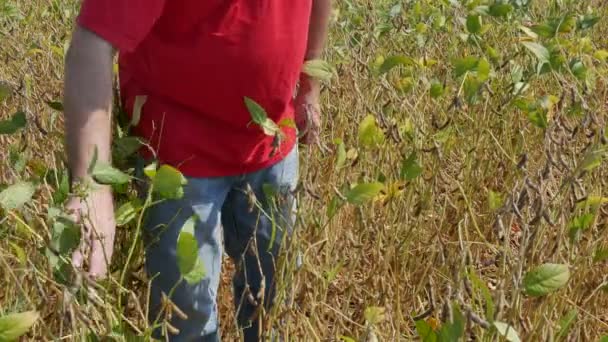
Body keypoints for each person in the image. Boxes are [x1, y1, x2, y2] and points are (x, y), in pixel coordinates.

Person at [62, 0, 331, 340]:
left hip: (273, 141)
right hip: (178, 159)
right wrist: (92, 186)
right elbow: (92, 43)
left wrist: (310, 86)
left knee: (274, 300)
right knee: (186, 321)